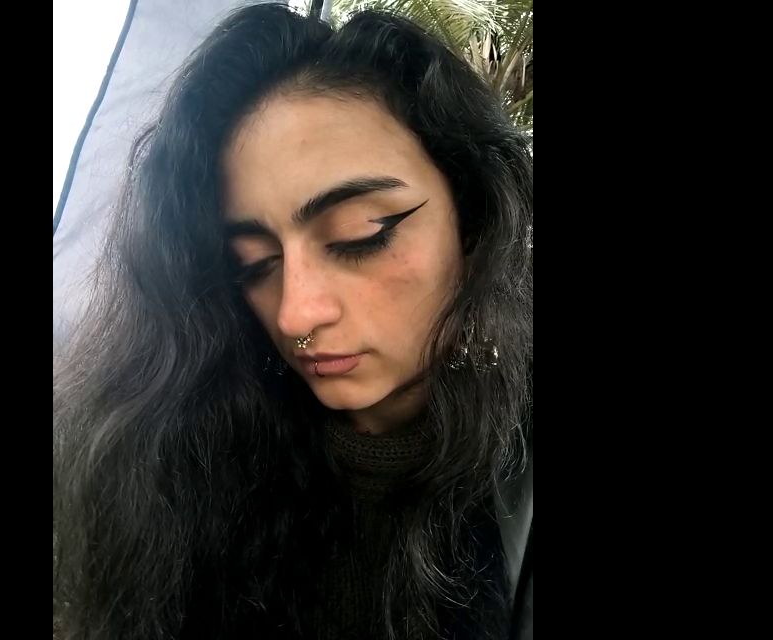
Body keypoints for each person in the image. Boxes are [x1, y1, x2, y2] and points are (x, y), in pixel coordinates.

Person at [53, 4, 533, 639]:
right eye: (254, 265)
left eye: (360, 236)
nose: (296, 313)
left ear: (471, 222)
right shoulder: (188, 461)